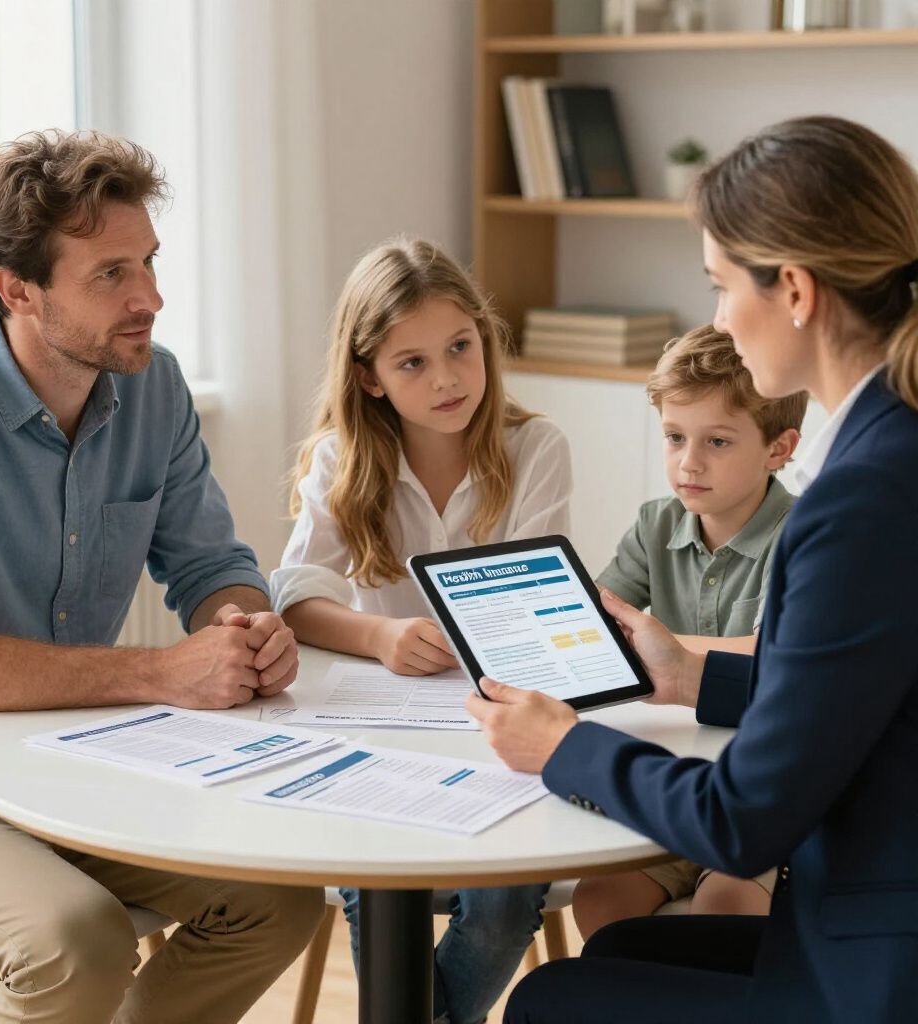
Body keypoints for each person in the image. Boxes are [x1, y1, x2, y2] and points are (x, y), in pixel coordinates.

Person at [469, 114, 918, 1023]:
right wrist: (694, 676)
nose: (716, 317)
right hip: (863, 918)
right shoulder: (891, 446)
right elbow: (865, 685)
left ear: (793, 288)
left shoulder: (862, 495)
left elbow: (742, 819)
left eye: (720, 287)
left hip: (876, 974)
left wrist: (563, 747)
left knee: (550, 1003)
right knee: (628, 947)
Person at [0, 130, 323, 1024]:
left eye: (150, 263)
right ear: (18, 289)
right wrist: (164, 673)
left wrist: (247, 627)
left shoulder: (153, 389)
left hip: (61, 758)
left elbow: (211, 565)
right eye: (110, 275)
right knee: (76, 943)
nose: (150, 298)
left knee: (276, 898)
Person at [271, 236, 572, 1024]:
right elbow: (294, 597)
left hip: (504, 737)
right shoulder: (342, 458)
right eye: (412, 363)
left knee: (506, 905)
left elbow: (543, 606)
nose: (446, 379)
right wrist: (380, 639)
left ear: (484, 339)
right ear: (368, 375)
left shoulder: (535, 448)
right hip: (382, 744)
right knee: (380, 892)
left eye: (461, 348)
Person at [573, 325, 806, 939]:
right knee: (600, 901)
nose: (688, 462)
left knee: (728, 908)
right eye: (674, 438)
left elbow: (777, 657)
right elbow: (597, 622)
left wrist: (668, 648)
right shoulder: (657, 525)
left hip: (764, 795)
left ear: (778, 449)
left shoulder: (802, 534)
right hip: (679, 781)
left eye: (718, 441)